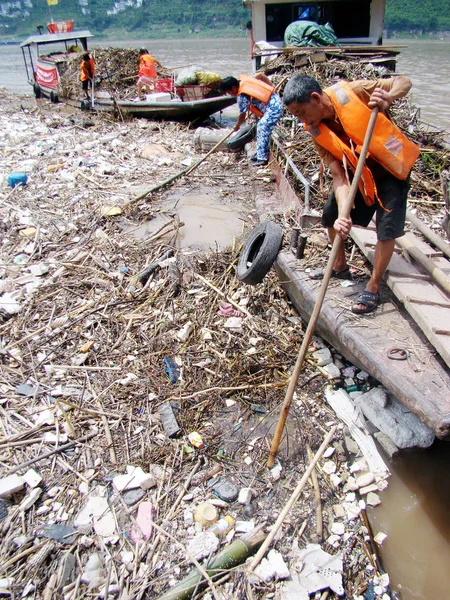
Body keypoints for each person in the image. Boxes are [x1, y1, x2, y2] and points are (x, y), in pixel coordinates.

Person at [283, 74, 420, 314]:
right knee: (330, 215)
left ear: (315, 98)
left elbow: (404, 81)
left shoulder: (355, 91)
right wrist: (343, 213)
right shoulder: (316, 131)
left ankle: (374, 284)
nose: (303, 120)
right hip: (361, 172)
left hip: (390, 167)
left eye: (301, 113)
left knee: (387, 228)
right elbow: (338, 176)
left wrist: (389, 97)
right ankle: (339, 266)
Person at [221, 74, 283, 167]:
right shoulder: (244, 81)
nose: (230, 94)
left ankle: (262, 158)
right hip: (274, 100)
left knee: (262, 127)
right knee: (261, 126)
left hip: (274, 107)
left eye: (228, 92)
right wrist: (272, 86)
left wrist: (237, 126)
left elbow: (242, 115)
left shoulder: (241, 96)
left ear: (233, 88)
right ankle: (260, 152)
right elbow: (260, 75)